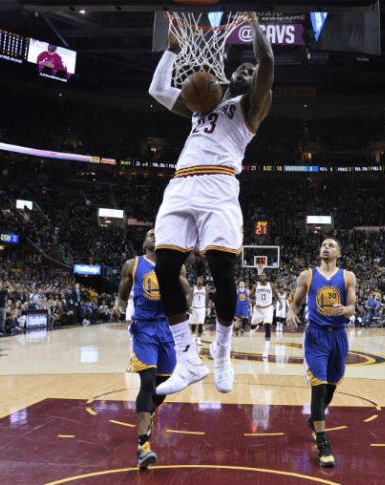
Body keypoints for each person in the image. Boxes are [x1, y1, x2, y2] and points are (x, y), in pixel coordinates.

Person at [148, 12, 274, 396]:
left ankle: (222, 351)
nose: (246, 72)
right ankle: (188, 359)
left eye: (249, 72)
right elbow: (156, 90)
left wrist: (253, 27)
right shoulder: (200, 107)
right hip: (181, 184)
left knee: (222, 270)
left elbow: (266, 62)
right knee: (166, 267)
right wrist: (171, 52)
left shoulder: (252, 107)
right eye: (241, 69)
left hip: (219, 184)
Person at [111, 229, 192, 469]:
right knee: (147, 382)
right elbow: (122, 297)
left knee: (163, 386)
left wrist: (184, 309)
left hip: (167, 330)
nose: (154, 236)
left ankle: (147, 413)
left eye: (158, 234)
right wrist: (118, 307)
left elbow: (187, 292)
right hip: (143, 329)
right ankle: (143, 446)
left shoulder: (176, 266)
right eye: (150, 234)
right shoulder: (132, 265)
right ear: (145, 242)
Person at [286, 237, 356, 468]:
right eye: (324, 245)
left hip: (338, 337)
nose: (326, 247)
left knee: (331, 386)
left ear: (339, 252)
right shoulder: (307, 275)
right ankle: (323, 442)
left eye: (331, 245)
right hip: (315, 336)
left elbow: (352, 308)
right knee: (319, 386)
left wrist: (343, 309)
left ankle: (313, 420)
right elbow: (296, 303)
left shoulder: (348, 276)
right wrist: (290, 312)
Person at [250, 272, 281, 359]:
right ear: (259, 277)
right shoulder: (256, 286)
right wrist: (249, 300)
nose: (263, 276)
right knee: (252, 325)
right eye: (261, 275)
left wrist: (280, 302)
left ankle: (266, 350)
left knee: (267, 326)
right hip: (258, 309)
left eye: (264, 275)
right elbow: (250, 295)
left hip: (268, 308)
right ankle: (255, 327)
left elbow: (276, 294)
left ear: (266, 277)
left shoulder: (271, 285)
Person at [189, 276, 208, 346]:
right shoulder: (193, 288)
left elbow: (207, 299)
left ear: (202, 281)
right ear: (196, 281)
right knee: (193, 324)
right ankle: (193, 337)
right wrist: (190, 306)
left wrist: (207, 307)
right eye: (198, 279)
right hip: (194, 308)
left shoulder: (205, 289)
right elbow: (190, 297)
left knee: (200, 324)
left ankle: (199, 339)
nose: (199, 281)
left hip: (202, 308)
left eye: (201, 280)